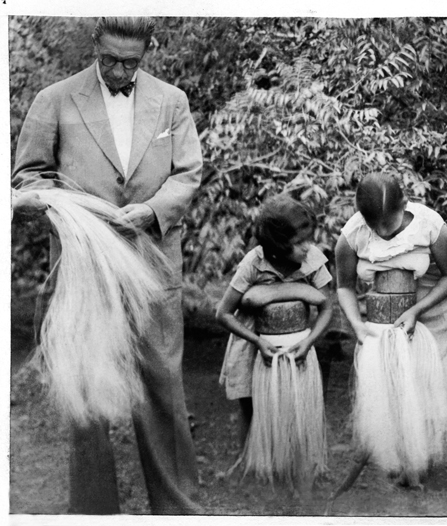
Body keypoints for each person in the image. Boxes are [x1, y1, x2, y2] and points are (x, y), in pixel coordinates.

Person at [12, 17, 203, 514]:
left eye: (131, 63)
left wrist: (151, 211)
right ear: (95, 44)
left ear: (147, 53)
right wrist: (78, 213)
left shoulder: (172, 101)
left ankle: (179, 509)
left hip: (153, 263)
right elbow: (27, 180)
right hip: (83, 269)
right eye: (111, 60)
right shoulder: (53, 100)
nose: (120, 71)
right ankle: (94, 513)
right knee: (87, 395)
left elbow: (187, 175)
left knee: (163, 386)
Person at [334, 172, 447, 416]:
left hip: (441, 299)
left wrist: (416, 310)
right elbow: (344, 286)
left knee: (435, 379)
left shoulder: (429, 224)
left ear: (404, 205)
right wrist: (356, 324)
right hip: (392, 305)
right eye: (374, 226)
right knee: (395, 383)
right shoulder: (352, 234)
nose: (382, 232)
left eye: (388, 224)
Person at [215, 195, 333, 445]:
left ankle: (291, 461)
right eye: (298, 242)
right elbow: (223, 313)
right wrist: (256, 341)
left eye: (309, 239)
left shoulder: (312, 260)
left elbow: (326, 308)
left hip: (297, 342)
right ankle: (251, 462)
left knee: (295, 404)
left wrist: (311, 340)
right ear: (278, 244)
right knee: (252, 405)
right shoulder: (254, 262)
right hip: (253, 344)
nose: (307, 247)